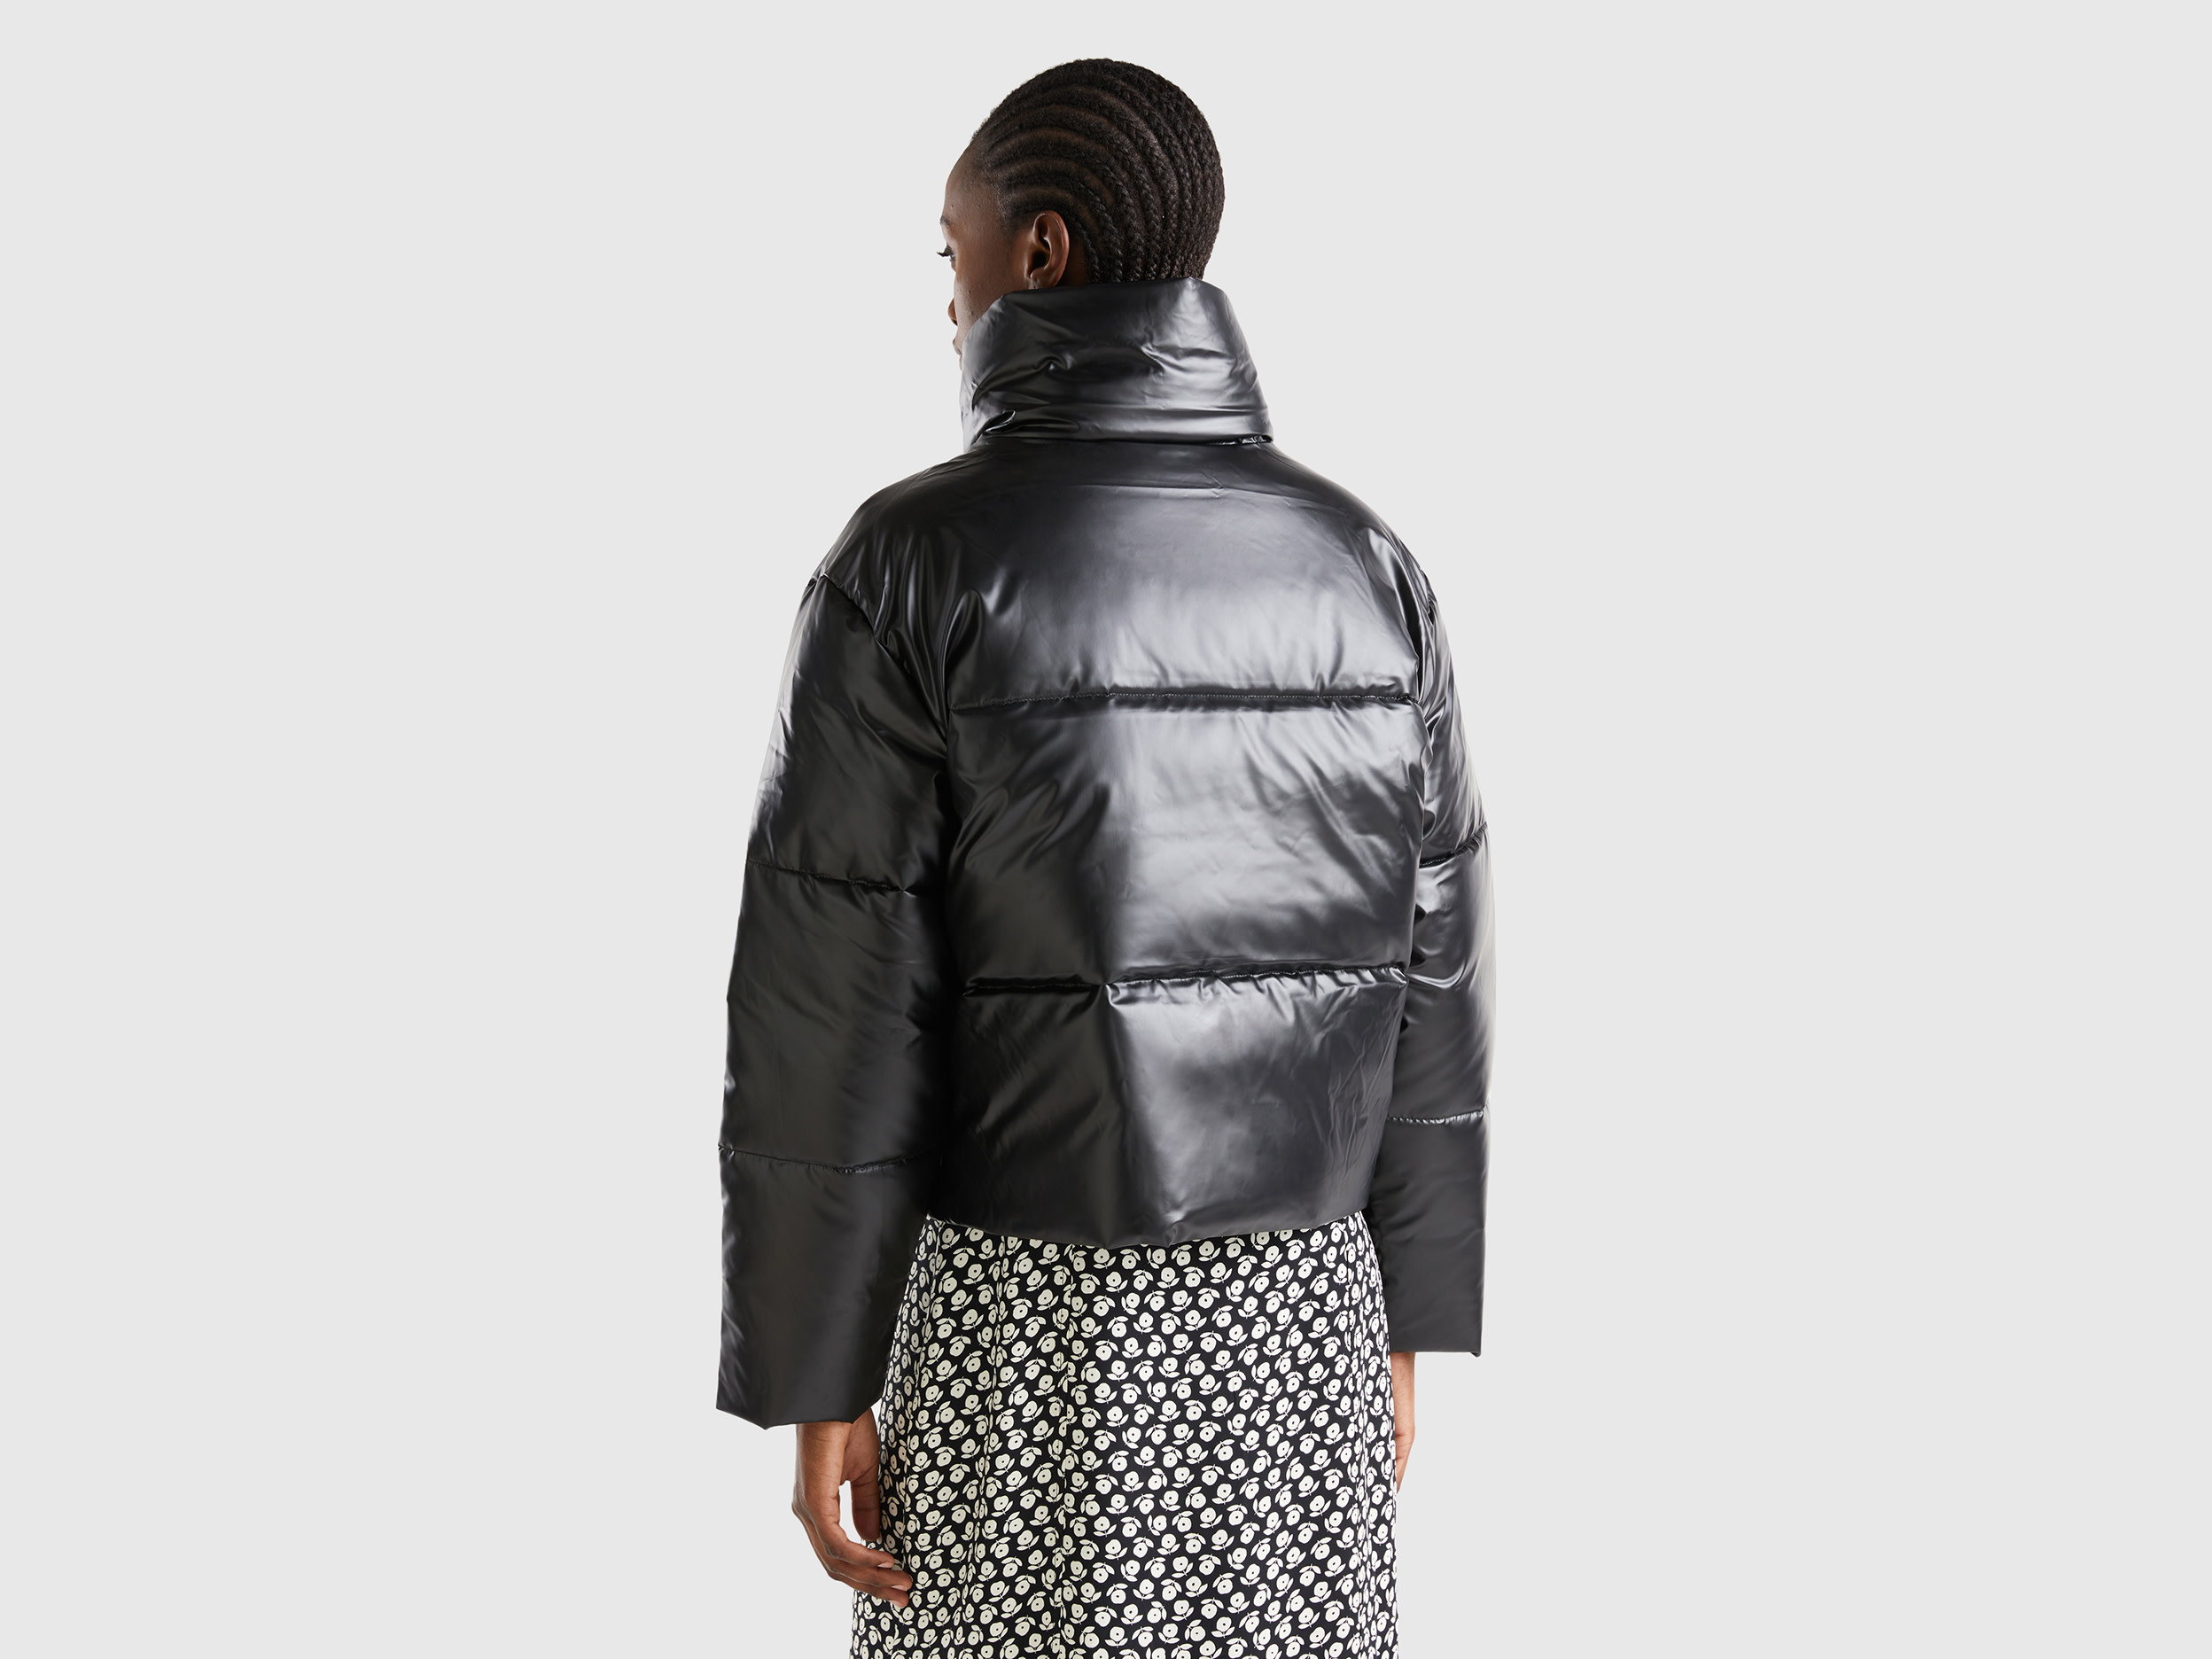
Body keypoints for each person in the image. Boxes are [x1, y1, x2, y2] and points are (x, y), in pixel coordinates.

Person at [718, 59, 1493, 1657]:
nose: (947, 298)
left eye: (954, 251)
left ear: (1041, 251)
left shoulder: (908, 565)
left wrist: (820, 1370)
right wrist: (1403, 1315)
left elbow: (833, 1003)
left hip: (1022, 1317)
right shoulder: (1365, 563)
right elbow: (1440, 962)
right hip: (1301, 1316)